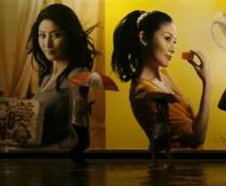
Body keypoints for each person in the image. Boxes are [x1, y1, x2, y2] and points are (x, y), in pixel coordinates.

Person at [111, 10, 211, 168]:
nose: (173, 48)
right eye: (167, 39)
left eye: (175, 41)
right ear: (144, 38)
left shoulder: (163, 74)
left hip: (191, 168)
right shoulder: (144, 93)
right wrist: (207, 82)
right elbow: (197, 137)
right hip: (175, 173)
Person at [27, 3, 97, 164]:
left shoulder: (77, 76)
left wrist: (25, 152)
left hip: (58, 171)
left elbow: (76, 141)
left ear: (70, 36)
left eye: (56, 35)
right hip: (37, 166)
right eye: (42, 35)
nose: (47, 44)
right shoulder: (46, 78)